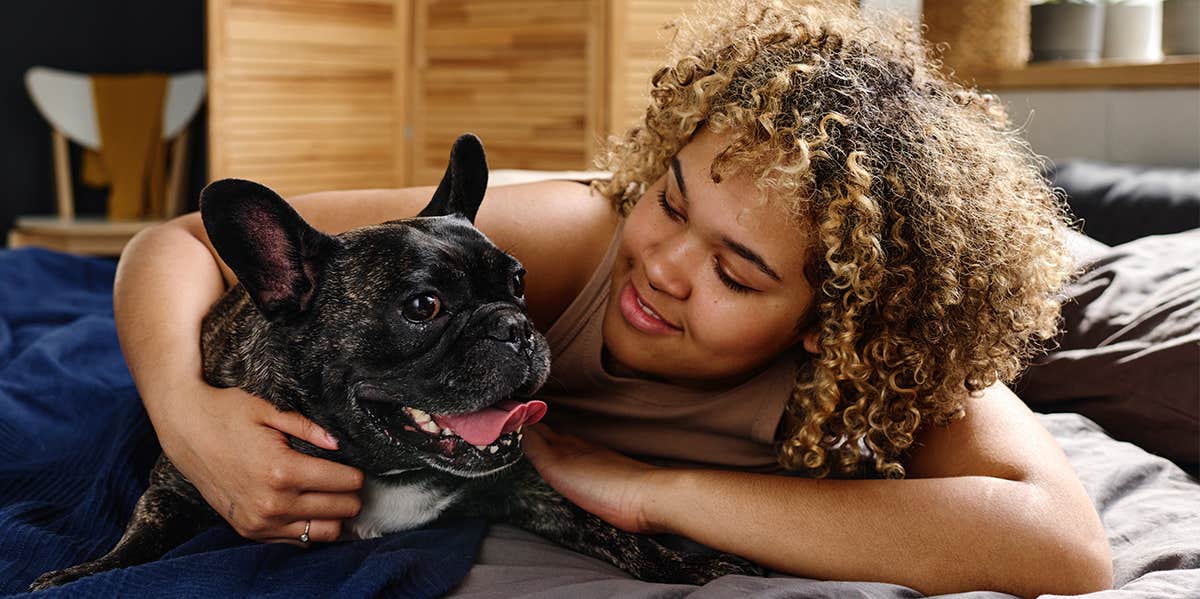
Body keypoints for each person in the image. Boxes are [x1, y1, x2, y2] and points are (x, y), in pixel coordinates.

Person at [111, 1, 1111, 596]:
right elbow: (175, 242)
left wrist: (647, 487)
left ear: (838, 323)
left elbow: (1065, 545)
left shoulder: (878, 368)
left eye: (736, 270)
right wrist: (189, 416)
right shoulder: (579, 237)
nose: (666, 264)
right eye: (671, 200)